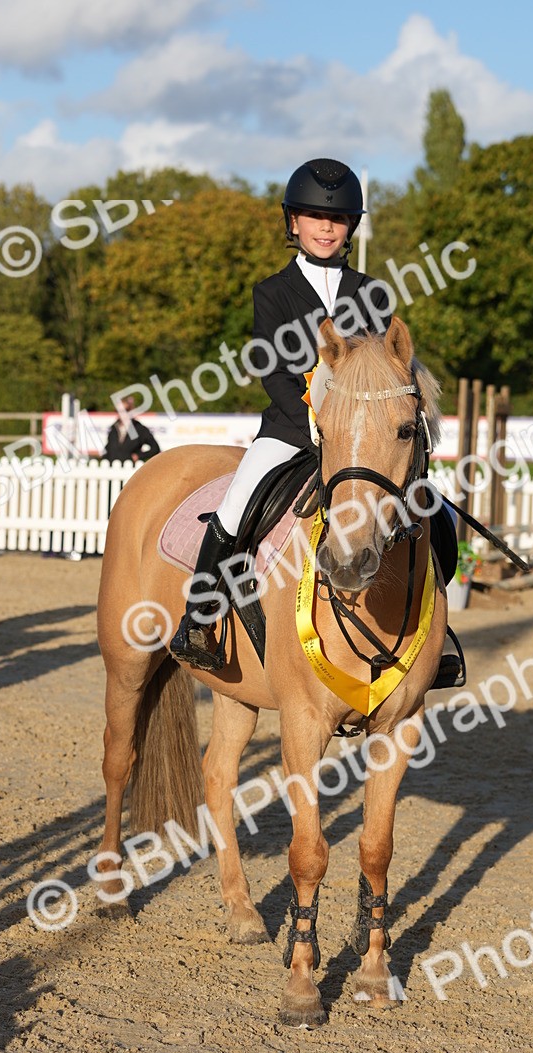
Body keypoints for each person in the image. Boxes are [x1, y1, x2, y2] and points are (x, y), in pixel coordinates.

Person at [170, 157, 394, 670]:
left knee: (432, 507)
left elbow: (380, 370)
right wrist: (317, 425)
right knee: (234, 505)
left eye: (336, 219)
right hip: (291, 431)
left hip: (361, 437)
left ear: (351, 226)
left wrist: (355, 429)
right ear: (293, 222)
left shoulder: (372, 293)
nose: (325, 227)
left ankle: (436, 632)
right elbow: (272, 373)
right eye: (314, 217)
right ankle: (199, 619)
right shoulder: (271, 292)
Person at [103, 394, 161, 464]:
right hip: (112, 468)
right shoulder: (113, 428)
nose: (122, 414)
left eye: (125, 410)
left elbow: (155, 448)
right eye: (119, 411)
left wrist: (138, 456)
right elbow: (108, 448)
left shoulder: (139, 429)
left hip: (131, 469)